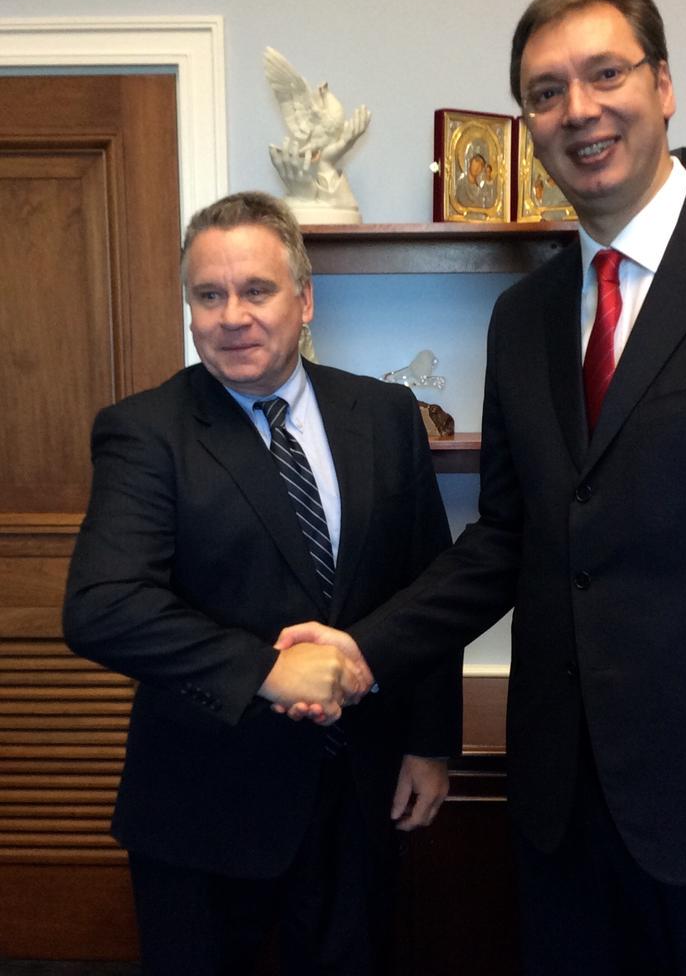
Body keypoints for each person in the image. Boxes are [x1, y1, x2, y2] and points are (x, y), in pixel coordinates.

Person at [282, 0, 686, 975]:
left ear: (662, 85)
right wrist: (366, 647)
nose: (577, 109)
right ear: (528, 126)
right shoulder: (525, 317)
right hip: (563, 811)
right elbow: (508, 537)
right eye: (545, 92)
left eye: (605, 74)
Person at [62, 191, 461, 976]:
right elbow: (103, 606)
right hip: (206, 813)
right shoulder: (146, 431)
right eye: (209, 295)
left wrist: (430, 743)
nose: (232, 316)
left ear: (304, 300)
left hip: (361, 797)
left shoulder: (385, 414)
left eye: (256, 290)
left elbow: (428, 588)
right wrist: (267, 670)